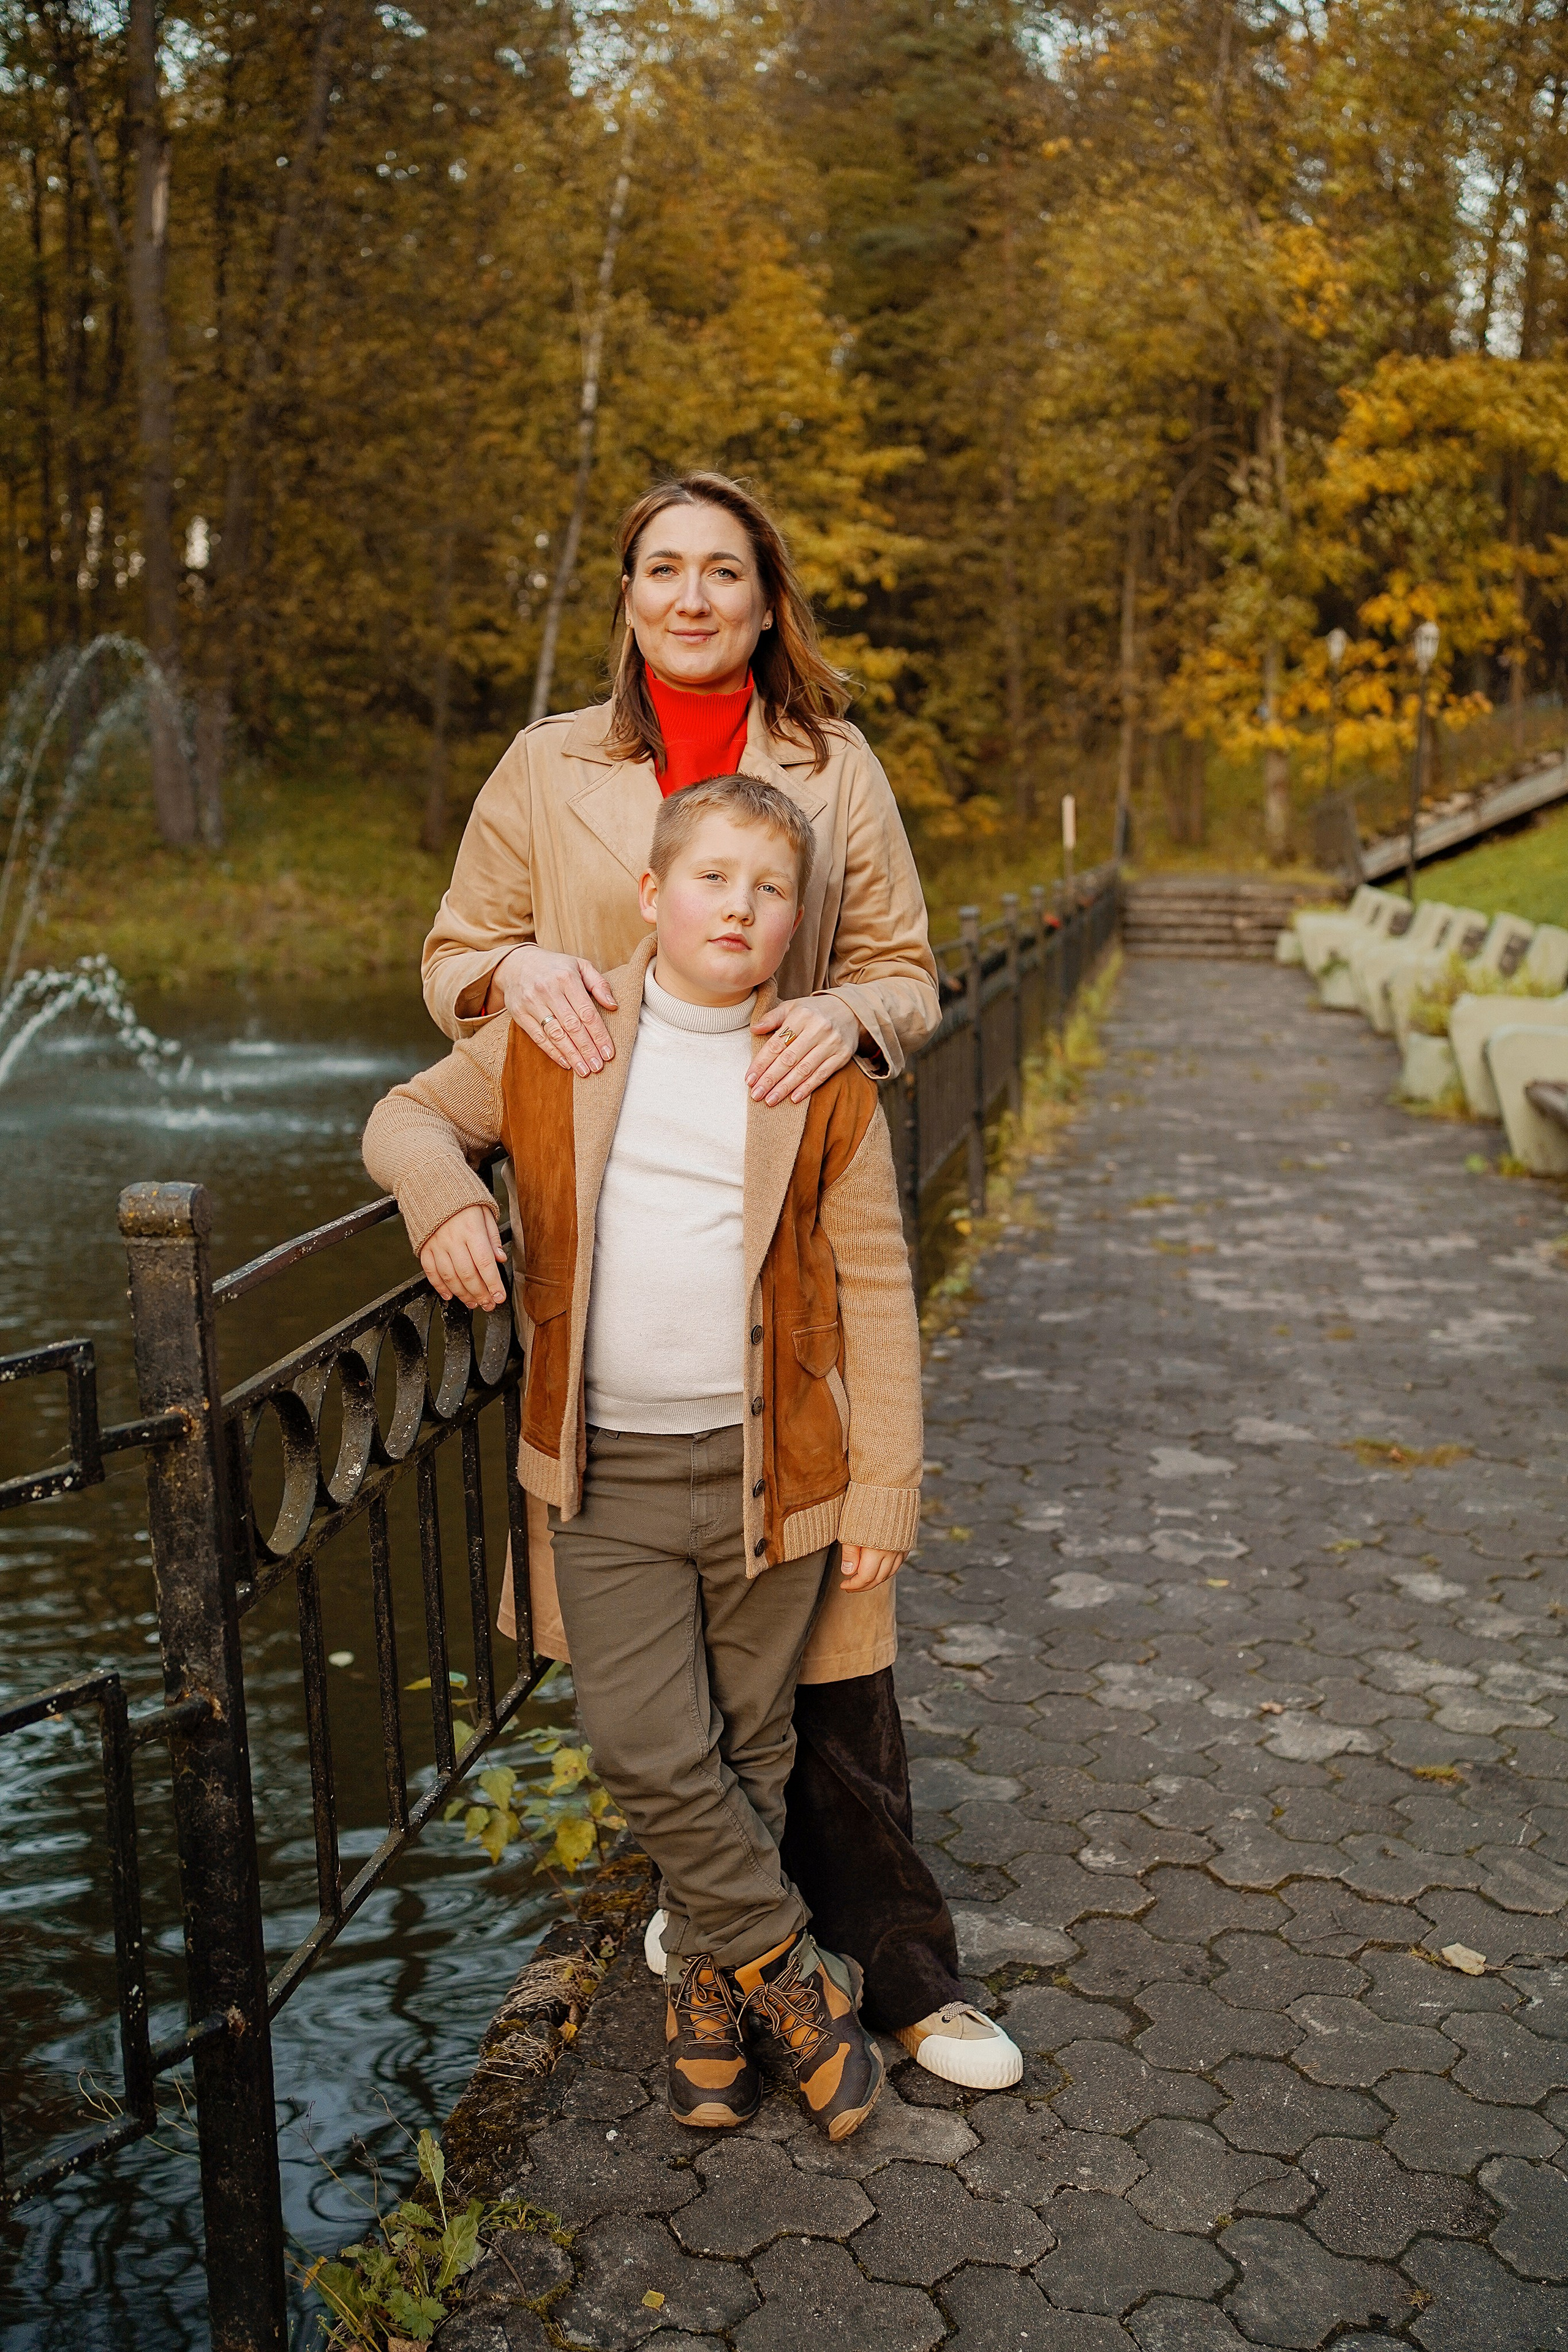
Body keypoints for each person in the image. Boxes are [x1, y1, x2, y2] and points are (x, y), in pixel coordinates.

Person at [420, 469, 1022, 2093]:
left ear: (769, 604)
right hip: (627, 1268)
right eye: (664, 571)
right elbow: (451, 959)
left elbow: (906, 963)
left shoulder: (834, 767)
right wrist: (510, 971)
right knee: (681, 1689)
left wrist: (858, 1019)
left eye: (726, 575)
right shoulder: (551, 766)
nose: (693, 598)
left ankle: (902, 1970)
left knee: (836, 1652)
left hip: (804, 1235)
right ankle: (737, 1946)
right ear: (629, 595)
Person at [366, 775, 919, 2141]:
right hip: (601, 1471)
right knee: (642, 1741)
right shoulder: (564, 1034)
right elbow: (402, 1117)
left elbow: (879, 1285)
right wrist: (442, 1203)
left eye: (768, 889)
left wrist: (885, 1482)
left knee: (751, 1741)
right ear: (651, 895)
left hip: (769, 1470)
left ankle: (704, 1997)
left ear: (795, 922)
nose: (737, 906)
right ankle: (791, 1973)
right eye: (712, 879)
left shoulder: (816, 1069)